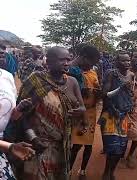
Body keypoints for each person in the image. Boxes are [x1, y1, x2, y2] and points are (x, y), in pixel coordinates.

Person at [15, 47, 86, 180]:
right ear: (48, 62)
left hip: (63, 144)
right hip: (39, 146)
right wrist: (33, 138)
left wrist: (80, 111)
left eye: (68, 60)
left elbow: (82, 107)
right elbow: (21, 115)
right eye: (61, 60)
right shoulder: (36, 80)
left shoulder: (73, 82)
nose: (66, 63)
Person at [99, 52, 134, 180]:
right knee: (112, 148)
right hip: (110, 115)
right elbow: (104, 94)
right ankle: (106, 172)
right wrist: (120, 88)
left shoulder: (131, 75)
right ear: (117, 62)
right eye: (124, 61)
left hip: (123, 115)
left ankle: (111, 171)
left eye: (128, 60)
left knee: (121, 149)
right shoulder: (111, 74)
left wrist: (130, 106)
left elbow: (130, 94)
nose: (127, 62)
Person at [68, 45, 101, 176]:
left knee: (88, 144)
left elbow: (97, 88)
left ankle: (82, 171)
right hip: (77, 114)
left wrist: (98, 91)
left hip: (91, 113)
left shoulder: (93, 72)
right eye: (92, 62)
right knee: (75, 145)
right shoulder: (71, 71)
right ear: (84, 58)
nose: (92, 65)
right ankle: (68, 170)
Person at [0, 57, 36, 180]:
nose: (1, 53)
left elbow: (9, 116)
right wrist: (9, 146)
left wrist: (18, 109)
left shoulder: (7, 76)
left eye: (2, 52)